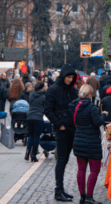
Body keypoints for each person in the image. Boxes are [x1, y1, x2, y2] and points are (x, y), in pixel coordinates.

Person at [44, 63, 78, 202]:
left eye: (72, 77)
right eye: (68, 77)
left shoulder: (73, 90)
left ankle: (62, 190)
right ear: (63, 76)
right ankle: (58, 191)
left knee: (66, 160)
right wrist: (59, 125)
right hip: (62, 129)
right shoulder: (53, 90)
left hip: (73, 128)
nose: (70, 79)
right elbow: (48, 110)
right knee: (61, 160)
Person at [69, 84, 108, 204]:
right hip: (91, 142)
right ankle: (89, 198)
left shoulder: (74, 106)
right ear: (91, 94)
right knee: (94, 171)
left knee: (81, 169)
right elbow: (97, 122)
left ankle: (82, 197)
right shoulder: (91, 107)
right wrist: (103, 115)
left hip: (79, 140)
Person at [25, 81, 46, 162]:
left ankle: (27, 153)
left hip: (30, 117)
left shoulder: (31, 94)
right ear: (42, 87)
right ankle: (33, 155)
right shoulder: (44, 96)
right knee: (36, 137)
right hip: (38, 118)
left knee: (30, 136)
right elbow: (45, 106)